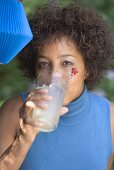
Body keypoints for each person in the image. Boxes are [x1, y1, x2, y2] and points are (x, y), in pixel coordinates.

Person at [0, 3, 114, 170]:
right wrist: (25, 138)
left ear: (87, 69)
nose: (54, 75)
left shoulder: (109, 117)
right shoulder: (14, 109)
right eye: (44, 64)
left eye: (67, 63)